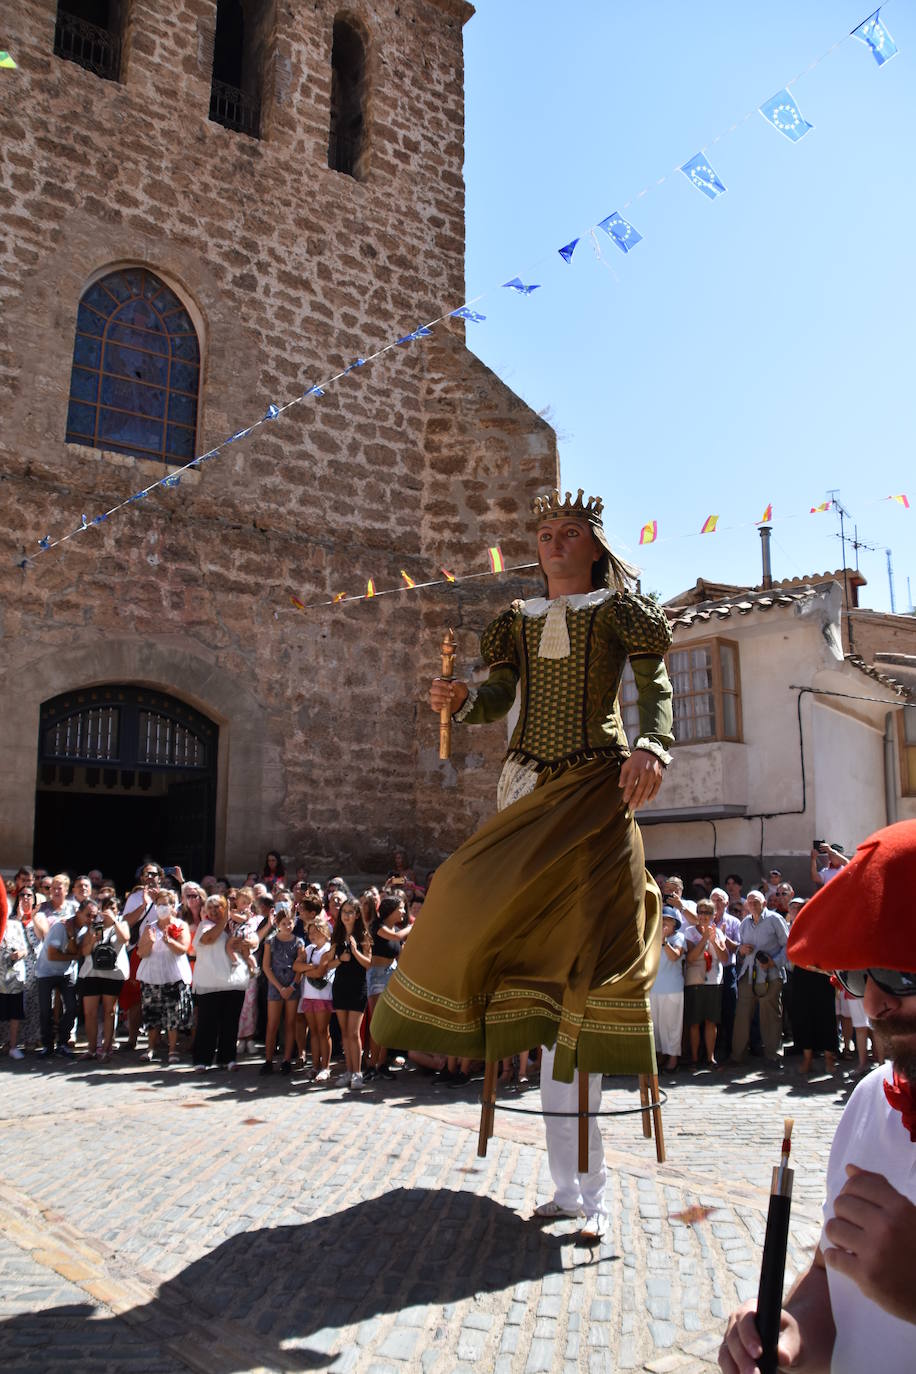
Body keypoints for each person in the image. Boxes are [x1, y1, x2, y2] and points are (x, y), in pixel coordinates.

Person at [372, 488, 674, 1241]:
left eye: (569, 532)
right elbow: (496, 697)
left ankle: (585, 1192)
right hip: (528, 788)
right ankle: (458, 1006)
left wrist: (654, 745)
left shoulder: (621, 613)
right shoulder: (512, 620)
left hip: (595, 792)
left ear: (596, 545)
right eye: (544, 532)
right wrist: (461, 700)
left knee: (578, 1002)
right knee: (454, 888)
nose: (553, 542)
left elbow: (655, 688)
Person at [719, 819, 916, 1374]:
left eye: (899, 972)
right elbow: (833, 1275)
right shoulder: (873, 1100)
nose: (874, 1006)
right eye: (858, 975)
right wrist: (795, 1329)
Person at [192, 894, 254, 1071]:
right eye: (210, 908)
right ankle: (202, 1059)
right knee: (207, 1023)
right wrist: (225, 919)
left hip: (234, 982)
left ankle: (228, 1058)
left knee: (230, 1022)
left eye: (217, 907)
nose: (213, 911)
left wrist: (247, 940)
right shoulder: (205, 926)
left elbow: (252, 941)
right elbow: (208, 938)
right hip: (210, 983)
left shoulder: (236, 927)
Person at [731, 890, 788, 1066]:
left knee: (770, 1014)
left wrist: (774, 962)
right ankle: (737, 1055)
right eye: (750, 902)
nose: (752, 905)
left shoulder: (775, 919)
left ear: (764, 903)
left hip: (770, 973)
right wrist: (741, 950)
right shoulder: (744, 923)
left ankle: (773, 1055)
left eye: (756, 901)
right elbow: (739, 948)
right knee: (742, 1015)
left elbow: (788, 944)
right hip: (748, 973)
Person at [135, 892, 192, 1066]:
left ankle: (172, 1049)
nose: (162, 908)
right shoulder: (149, 927)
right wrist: (150, 942)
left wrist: (169, 941)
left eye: (165, 904)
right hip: (152, 975)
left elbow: (183, 949)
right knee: (152, 1014)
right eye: (159, 904)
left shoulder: (180, 925)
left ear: (173, 906)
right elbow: (140, 953)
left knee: (172, 1015)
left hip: (172, 976)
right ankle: (151, 1047)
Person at [76, 895, 130, 1061]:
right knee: (90, 1012)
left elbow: (125, 940)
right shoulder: (94, 926)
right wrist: (93, 937)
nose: (109, 911)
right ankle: (92, 1049)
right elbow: (84, 952)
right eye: (107, 907)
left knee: (109, 1011)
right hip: (91, 973)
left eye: (113, 908)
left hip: (113, 974)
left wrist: (114, 921)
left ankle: (106, 1048)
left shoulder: (122, 924)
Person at [329, 897, 372, 1089]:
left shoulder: (363, 936)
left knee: (354, 1032)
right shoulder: (336, 935)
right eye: (343, 912)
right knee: (344, 1032)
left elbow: (368, 964)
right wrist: (340, 959)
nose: (346, 915)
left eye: (350, 912)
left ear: (356, 915)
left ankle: (357, 1073)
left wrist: (354, 952)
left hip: (357, 987)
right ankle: (348, 1070)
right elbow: (327, 964)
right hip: (340, 985)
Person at [34, 903, 87, 1057]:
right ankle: (47, 1045)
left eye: (93, 916)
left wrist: (71, 937)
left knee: (72, 1007)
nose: (90, 919)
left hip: (66, 972)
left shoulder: (84, 930)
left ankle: (63, 1043)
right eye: (87, 915)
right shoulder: (59, 927)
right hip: (46, 971)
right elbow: (53, 955)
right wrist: (74, 956)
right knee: (45, 1010)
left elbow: (75, 951)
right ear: (78, 913)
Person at [259, 906, 304, 1076]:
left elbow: (299, 967)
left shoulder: (298, 942)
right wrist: (280, 988)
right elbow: (266, 966)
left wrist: (292, 986)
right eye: (284, 923)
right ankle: (268, 1059)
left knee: (290, 1022)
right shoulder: (271, 941)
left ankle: (286, 1060)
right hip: (276, 984)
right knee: (272, 1024)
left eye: (290, 923)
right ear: (278, 924)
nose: (287, 926)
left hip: (292, 984)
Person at [683, 899, 728, 1067]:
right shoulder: (689, 932)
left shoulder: (719, 933)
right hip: (695, 980)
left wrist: (714, 940)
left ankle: (710, 1057)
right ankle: (694, 1057)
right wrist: (703, 939)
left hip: (714, 981)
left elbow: (724, 958)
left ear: (713, 915)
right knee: (694, 1022)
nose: (703, 916)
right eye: (700, 912)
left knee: (711, 1020)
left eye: (707, 913)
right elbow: (691, 958)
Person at [293, 914, 335, 1081]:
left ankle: (326, 1067)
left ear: (325, 932)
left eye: (316, 932)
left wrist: (307, 969)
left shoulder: (329, 949)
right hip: (309, 995)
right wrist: (311, 967)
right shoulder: (309, 949)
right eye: (310, 932)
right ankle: (315, 1065)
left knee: (323, 1031)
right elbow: (296, 965)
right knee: (314, 1032)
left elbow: (321, 972)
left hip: (324, 996)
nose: (312, 936)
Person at [650, 906, 686, 1072]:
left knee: (672, 1024)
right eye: (662, 920)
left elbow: (674, 957)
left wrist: (664, 941)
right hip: (655, 987)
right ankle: (659, 1054)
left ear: (674, 924)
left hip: (672, 988)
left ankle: (673, 1057)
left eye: (668, 921)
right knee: (657, 1025)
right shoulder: (652, 937)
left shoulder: (679, 938)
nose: (664, 923)